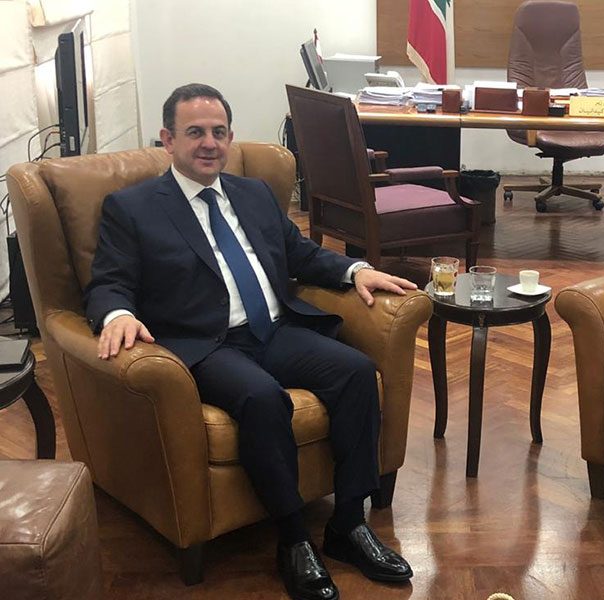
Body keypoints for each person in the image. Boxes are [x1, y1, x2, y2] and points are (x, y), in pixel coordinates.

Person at [85, 83, 417, 600]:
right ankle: (294, 539)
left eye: (219, 132)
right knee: (263, 398)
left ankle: (348, 524)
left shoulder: (254, 193)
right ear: (168, 140)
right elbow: (109, 281)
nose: (209, 143)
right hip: (206, 345)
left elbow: (301, 254)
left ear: (230, 137)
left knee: (355, 373)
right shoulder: (133, 208)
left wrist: (355, 270)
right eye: (195, 132)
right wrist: (118, 313)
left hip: (273, 330)